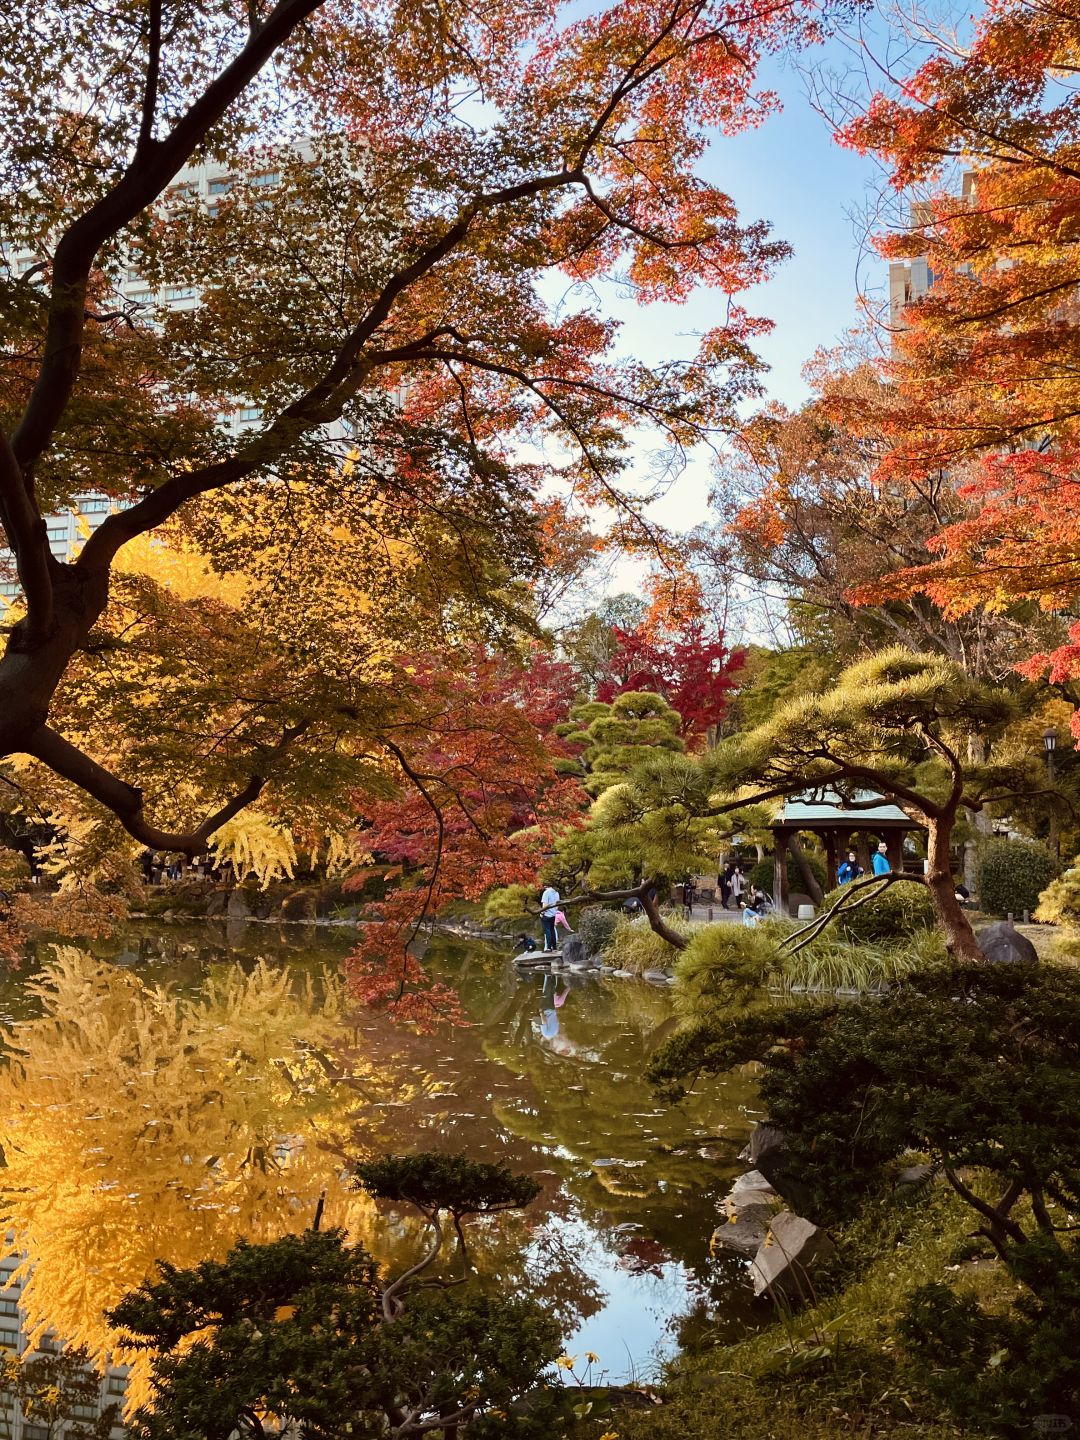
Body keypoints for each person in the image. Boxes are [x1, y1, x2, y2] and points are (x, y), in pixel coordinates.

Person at [540, 883, 561, 951]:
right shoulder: (556, 893)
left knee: (547, 931)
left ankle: (548, 947)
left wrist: (542, 913)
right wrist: (554, 912)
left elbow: (545, 905)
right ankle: (554, 946)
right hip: (553, 915)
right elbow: (557, 904)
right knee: (552, 930)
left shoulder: (546, 893)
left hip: (546, 915)